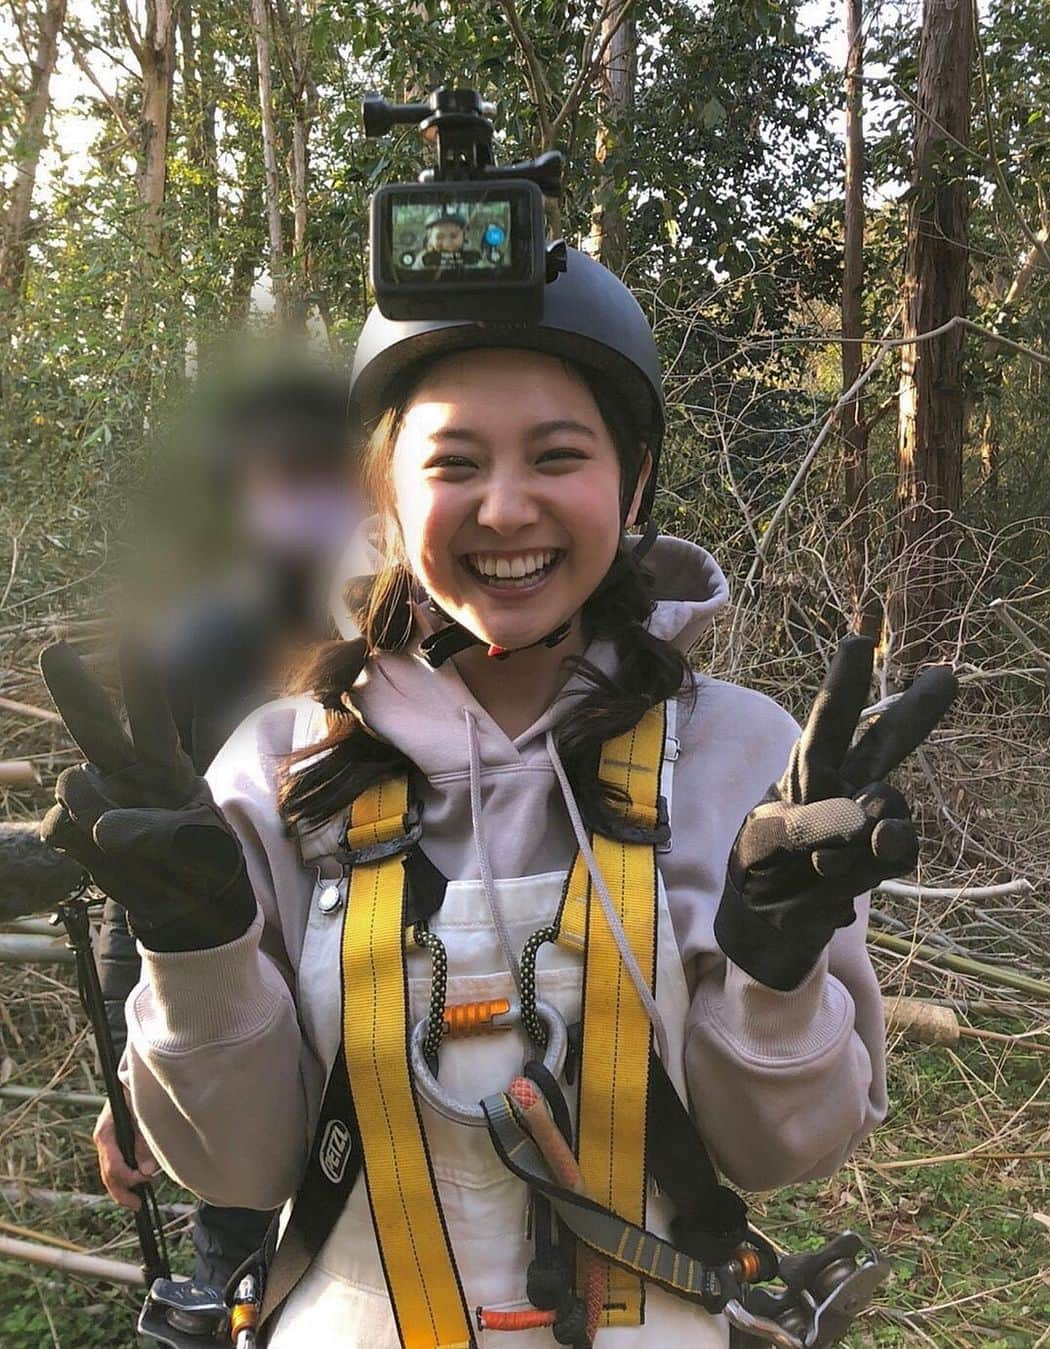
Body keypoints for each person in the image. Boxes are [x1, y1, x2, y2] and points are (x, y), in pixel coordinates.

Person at [39, 248, 956, 1346]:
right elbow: (240, 1166)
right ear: (386, 491)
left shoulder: (742, 757)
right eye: (455, 461)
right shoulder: (281, 768)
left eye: (559, 455)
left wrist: (777, 972)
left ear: (636, 475)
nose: (506, 506)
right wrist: (195, 955)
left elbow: (779, 1153)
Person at [90, 360, 361, 1293]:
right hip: (232, 1049)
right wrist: (128, 1082)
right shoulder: (197, 650)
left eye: (327, 476)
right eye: (278, 478)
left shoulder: (422, 632)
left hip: (391, 1079)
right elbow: (150, 873)